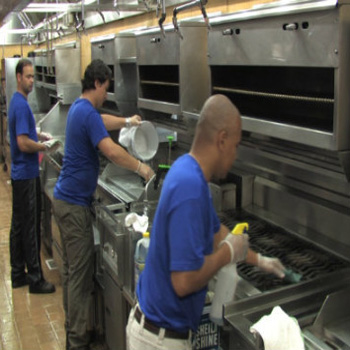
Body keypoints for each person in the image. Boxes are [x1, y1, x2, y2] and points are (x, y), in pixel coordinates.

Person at [126, 94, 285, 350]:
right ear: (222, 139)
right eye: (235, 145)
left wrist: (259, 260)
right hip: (159, 341)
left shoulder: (188, 171)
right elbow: (183, 282)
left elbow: (218, 233)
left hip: (159, 331)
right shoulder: (189, 186)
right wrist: (227, 254)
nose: (234, 155)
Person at [52, 58, 154, 350]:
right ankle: (77, 343)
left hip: (67, 201)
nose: (107, 95)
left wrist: (127, 121)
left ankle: (73, 331)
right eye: (106, 88)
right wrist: (141, 168)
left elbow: (101, 122)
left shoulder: (81, 108)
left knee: (73, 274)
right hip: (73, 206)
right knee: (80, 279)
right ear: (97, 83)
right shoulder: (86, 112)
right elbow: (111, 151)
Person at [8, 58, 56, 294]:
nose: (31, 81)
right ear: (18, 78)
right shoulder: (21, 104)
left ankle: (17, 274)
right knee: (30, 227)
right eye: (27, 77)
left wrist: (40, 134)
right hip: (26, 175)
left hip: (19, 175)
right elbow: (23, 143)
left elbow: (26, 132)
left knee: (18, 224)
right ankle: (36, 279)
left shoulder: (18, 102)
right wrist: (44, 147)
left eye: (32, 77)